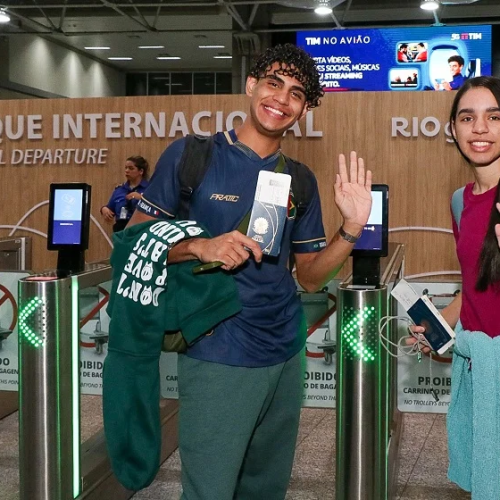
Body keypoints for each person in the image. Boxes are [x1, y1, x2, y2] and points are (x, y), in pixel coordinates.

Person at [127, 43, 373, 499]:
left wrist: (351, 229)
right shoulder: (192, 156)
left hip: (284, 349)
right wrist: (200, 246)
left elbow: (312, 277)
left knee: (266, 487)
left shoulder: (298, 178)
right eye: (274, 83)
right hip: (216, 347)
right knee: (211, 488)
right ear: (250, 85)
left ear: (303, 110)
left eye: (296, 93)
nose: (281, 98)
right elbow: (133, 244)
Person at [410, 76, 500, 498]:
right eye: (468, 118)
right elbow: (475, 285)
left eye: (493, 117)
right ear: (453, 130)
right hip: (478, 367)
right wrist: (439, 325)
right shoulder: (460, 201)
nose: (480, 128)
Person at [100, 155, 149, 232]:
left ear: (141, 171)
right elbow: (110, 207)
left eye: (131, 168)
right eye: (126, 168)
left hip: (141, 229)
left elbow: (157, 209)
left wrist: (141, 198)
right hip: (121, 230)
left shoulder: (149, 189)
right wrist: (104, 209)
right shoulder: (120, 190)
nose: (127, 170)